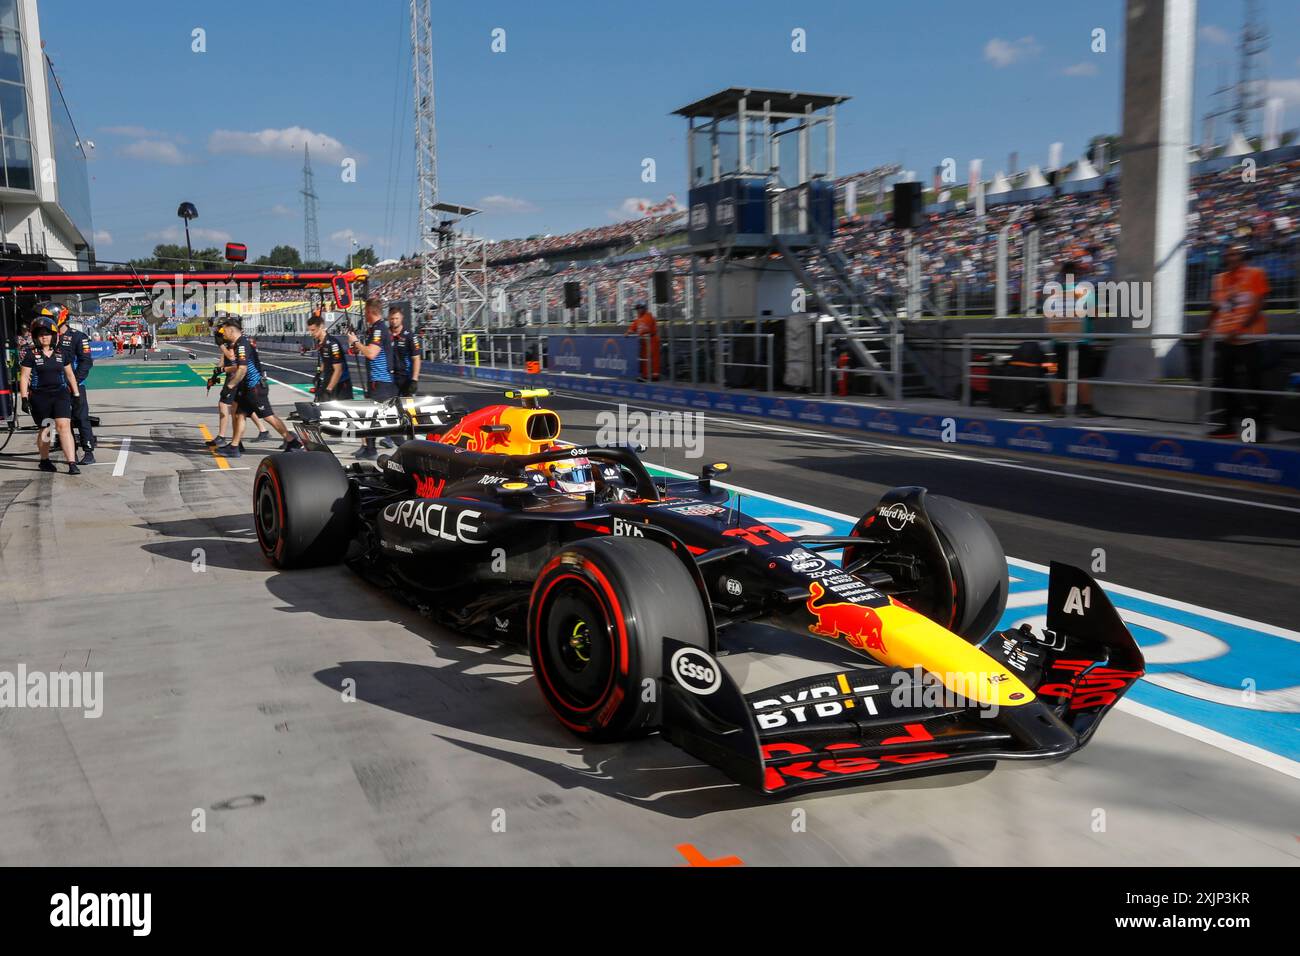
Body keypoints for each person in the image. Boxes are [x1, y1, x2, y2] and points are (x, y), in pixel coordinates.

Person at [1205, 243, 1271, 441]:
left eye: (1235, 254)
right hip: (1226, 339)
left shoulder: (1256, 274)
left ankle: (1255, 431)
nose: (1231, 257)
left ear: (1243, 256)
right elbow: (1216, 308)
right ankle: (1228, 425)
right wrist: (1207, 327)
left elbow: (1258, 305)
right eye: (1228, 255)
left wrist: (1240, 330)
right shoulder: (1219, 279)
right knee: (1225, 383)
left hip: (1249, 339)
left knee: (1253, 385)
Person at [218, 318, 301, 458]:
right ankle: (234, 446)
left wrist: (231, 385)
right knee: (239, 414)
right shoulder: (239, 343)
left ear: (232, 330)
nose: (223, 334)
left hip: (254, 387)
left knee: (268, 416)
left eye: (225, 331)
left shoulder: (242, 345)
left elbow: (242, 369)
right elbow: (239, 367)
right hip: (247, 387)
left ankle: (292, 441)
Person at [18, 317, 82, 475]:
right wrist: (24, 398)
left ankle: (72, 462)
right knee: (46, 428)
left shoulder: (62, 353)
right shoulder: (30, 354)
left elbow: (70, 375)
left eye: (47, 334)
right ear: (35, 337)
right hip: (40, 397)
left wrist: (76, 393)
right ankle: (44, 460)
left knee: (64, 427)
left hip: (60, 394)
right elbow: (25, 377)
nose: (44, 337)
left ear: (54, 335)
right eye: (40, 334)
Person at [346, 296, 397, 460]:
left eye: (365, 312)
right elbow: (370, 351)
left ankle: (404, 448)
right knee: (371, 417)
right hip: (377, 381)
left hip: (381, 382)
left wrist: (356, 342)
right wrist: (357, 347)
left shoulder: (379, 329)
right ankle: (370, 448)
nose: (364, 316)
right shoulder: (375, 328)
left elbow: (371, 353)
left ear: (369, 312)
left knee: (381, 419)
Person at [205, 326, 269, 450]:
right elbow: (223, 359)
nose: (222, 335)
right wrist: (215, 374)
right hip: (234, 377)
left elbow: (231, 358)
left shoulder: (238, 343)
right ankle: (240, 440)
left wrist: (220, 345)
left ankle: (223, 437)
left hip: (237, 379)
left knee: (226, 405)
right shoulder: (229, 343)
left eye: (223, 332)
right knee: (240, 410)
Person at [49, 306, 97, 463]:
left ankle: (88, 451)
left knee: (82, 418)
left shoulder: (78, 337)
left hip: (76, 386)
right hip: (55, 387)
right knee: (63, 421)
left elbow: (86, 362)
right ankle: (71, 452)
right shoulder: (49, 337)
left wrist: (74, 382)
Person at [308, 312, 354, 401]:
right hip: (329, 379)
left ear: (321, 327)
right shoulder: (321, 342)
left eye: (313, 330)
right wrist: (318, 373)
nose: (311, 333)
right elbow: (325, 361)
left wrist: (329, 389)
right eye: (309, 330)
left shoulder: (332, 344)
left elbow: (338, 370)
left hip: (340, 384)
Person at [388, 306, 421, 397]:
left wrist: (414, 380)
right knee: (390, 406)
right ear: (388, 318)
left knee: (409, 408)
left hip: (406, 377)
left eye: (396, 318)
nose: (394, 321)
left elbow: (416, 359)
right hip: (390, 377)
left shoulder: (410, 336)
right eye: (392, 319)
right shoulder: (385, 334)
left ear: (401, 318)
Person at [628, 302, 661, 381]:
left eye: (640, 308)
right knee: (644, 358)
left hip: (652, 339)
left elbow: (646, 329)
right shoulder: (638, 319)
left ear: (644, 308)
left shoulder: (649, 317)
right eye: (637, 309)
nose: (638, 311)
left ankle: (655, 376)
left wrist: (637, 333)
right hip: (644, 341)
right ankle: (645, 375)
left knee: (653, 358)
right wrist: (628, 332)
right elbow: (633, 327)